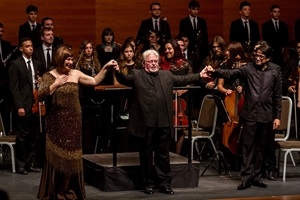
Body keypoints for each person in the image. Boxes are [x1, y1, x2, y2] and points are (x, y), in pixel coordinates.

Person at [114, 49, 209, 195]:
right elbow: (124, 79)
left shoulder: (167, 74)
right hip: (145, 123)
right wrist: (117, 71)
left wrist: (199, 75)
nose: (153, 64)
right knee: (146, 155)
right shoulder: (137, 74)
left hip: (163, 122)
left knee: (163, 155)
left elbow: (183, 79)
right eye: (150, 61)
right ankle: (148, 184)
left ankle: (164, 183)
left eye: (155, 61)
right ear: (145, 63)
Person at [37, 45, 116, 199]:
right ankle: (56, 190)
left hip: (74, 120)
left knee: (72, 156)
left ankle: (68, 189)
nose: (70, 62)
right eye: (67, 59)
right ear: (60, 59)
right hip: (56, 122)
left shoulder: (76, 74)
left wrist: (106, 67)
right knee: (58, 155)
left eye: (71, 59)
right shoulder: (49, 75)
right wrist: (57, 84)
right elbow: (40, 95)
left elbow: (94, 81)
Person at [207, 41, 282, 190]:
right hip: (249, 113)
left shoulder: (275, 71)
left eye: (261, 56)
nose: (257, 58)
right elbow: (231, 73)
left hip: (266, 114)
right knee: (247, 147)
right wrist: (214, 71)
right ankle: (246, 178)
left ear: (267, 58)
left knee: (261, 148)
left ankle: (256, 177)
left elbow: (277, 96)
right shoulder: (248, 69)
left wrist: (278, 116)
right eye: (256, 55)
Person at [8, 37, 43, 175]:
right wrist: (19, 106)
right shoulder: (15, 64)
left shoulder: (36, 63)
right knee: (22, 136)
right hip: (23, 105)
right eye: (27, 46)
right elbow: (14, 88)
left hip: (35, 105)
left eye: (31, 45)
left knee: (33, 136)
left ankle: (29, 163)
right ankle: (21, 164)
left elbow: (37, 83)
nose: (30, 48)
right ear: (21, 48)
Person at [160, 39, 193, 155]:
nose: (167, 51)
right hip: (167, 99)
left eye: (170, 49)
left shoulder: (185, 64)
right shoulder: (162, 64)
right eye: (166, 49)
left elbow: (191, 80)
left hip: (182, 100)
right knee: (166, 128)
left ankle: (178, 155)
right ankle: (166, 154)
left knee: (181, 129)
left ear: (175, 49)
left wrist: (184, 89)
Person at [74, 40, 102, 154]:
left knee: (94, 123)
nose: (89, 50)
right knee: (84, 123)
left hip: (94, 95)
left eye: (90, 48)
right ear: (83, 50)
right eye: (86, 48)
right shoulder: (79, 63)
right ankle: (84, 148)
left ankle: (93, 148)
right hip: (83, 95)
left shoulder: (96, 63)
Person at [179, 0, 209, 67]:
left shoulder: (202, 21)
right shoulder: (183, 22)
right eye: (193, 9)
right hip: (190, 49)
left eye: (197, 9)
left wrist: (206, 51)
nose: (195, 11)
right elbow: (182, 37)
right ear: (189, 9)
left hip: (201, 50)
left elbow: (205, 36)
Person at [0, 22, 13, 133]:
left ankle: (6, 132)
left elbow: (11, 63)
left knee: (5, 109)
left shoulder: (6, 45)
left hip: (4, 82)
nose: (0, 33)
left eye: (1, 31)